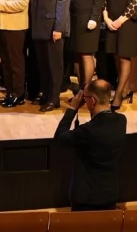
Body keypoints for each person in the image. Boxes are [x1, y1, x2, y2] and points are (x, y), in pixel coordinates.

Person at [53, 79, 127, 211]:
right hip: (109, 194)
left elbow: (60, 138)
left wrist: (72, 109)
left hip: (86, 198)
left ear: (92, 101)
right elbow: (103, 119)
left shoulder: (87, 131)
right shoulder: (121, 121)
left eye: (85, 98)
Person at [29, 0, 70, 112]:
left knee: (54, 65)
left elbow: (63, 2)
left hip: (53, 27)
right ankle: (46, 95)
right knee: (43, 64)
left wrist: (58, 28)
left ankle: (54, 99)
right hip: (38, 25)